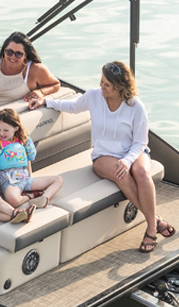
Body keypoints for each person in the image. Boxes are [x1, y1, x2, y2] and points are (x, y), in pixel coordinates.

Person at [29, 60, 176, 253]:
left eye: (106, 84)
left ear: (120, 87)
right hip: (103, 156)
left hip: (132, 151)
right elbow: (72, 106)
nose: (101, 87)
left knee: (142, 174)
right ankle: (153, 224)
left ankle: (152, 223)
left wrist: (127, 160)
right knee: (120, 173)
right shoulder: (93, 96)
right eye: (101, 81)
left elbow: (140, 142)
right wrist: (46, 101)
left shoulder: (135, 106)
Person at [0, 108, 63, 209]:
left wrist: (30, 177)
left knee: (58, 180)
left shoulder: (22, 141)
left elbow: (27, 160)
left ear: (16, 128)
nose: (2, 133)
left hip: (25, 179)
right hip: (9, 182)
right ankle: (31, 196)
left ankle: (44, 198)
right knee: (13, 200)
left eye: (6, 130)